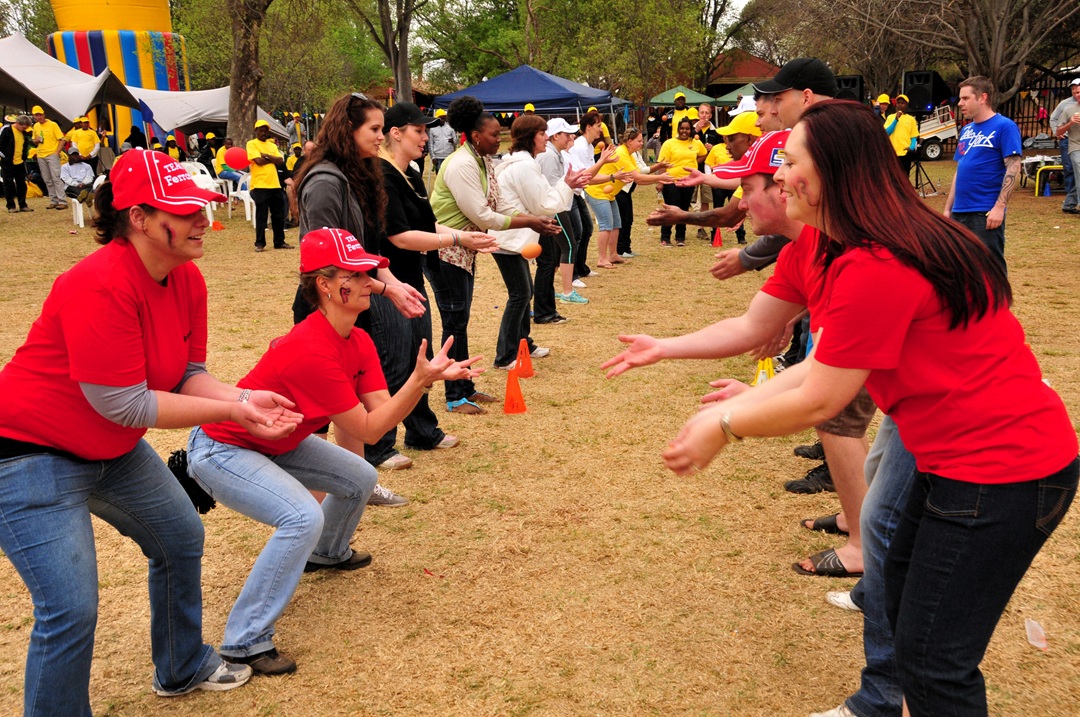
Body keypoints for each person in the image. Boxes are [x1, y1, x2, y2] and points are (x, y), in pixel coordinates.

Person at [662, 100, 1077, 717]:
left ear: (835, 171)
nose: (777, 178)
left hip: (1004, 473)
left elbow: (823, 397)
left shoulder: (879, 260)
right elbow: (819, 368)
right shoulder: (849, 248)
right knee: (907, 623)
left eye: (791, 162)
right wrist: (747, 399)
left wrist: (724, 426)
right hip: (960, 464)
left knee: (936, 665)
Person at [0, 149, 305, 714]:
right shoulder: (98, 283)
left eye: (203, 207)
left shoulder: (187, 279)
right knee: (70, 608)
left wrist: (240, 396)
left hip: (106, 448)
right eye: (185, 210)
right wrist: (233, 413)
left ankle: (182, 665)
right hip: (25, 453)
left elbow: (187, 374)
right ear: (138, 217)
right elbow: (124, 404)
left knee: (180, 535)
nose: (203, 220)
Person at [186, 227, 481, 677]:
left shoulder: (357, 339)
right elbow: (367, 424)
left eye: (368, 271)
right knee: (300, 516)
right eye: (357, 273)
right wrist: (419, 382)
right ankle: (244, 642)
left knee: (359, 477)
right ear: (325, 285)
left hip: (279, 442)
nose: (370, 281)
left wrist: (419, 381)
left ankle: (327, 552)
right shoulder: (309, 349)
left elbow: (379, 413)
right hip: (223, 447)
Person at [290, 92, 427, 481]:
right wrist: (387, 290)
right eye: (374, 129)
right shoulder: (324, 182)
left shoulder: (360, 176)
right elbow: (330, 261)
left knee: (350, 401)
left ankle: (356, 479)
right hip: (324, 309)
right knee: (315, 408)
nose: (381, 137)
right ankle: (310, 489)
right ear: (347, 130)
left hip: (352, 305)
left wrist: (395, 285)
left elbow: (366, 252)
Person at [368, 101, 497, 465]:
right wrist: (457, 240)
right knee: (394, 364)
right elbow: (399, 236)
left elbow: (425, 227)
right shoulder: (382, 174)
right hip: (386, 283)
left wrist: (464, 237)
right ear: (396, 134)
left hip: (410, 279)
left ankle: (423, 431)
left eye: (426, 131)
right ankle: (378, 445)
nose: (427, 137)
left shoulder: (409, 172)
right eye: (419, 131)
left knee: (418, 358)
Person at [427, 95, 558, 413]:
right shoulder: (460, 164)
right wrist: (529, 220)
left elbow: (498, 203)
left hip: (463, 250)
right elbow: (485, 216)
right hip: (444, 251)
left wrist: (532, 217)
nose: (498, 138)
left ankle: (465, 386)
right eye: (492, 134)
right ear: (475, 136)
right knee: (454, 322)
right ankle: (455, 396)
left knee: (461, 321)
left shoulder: (482, 160)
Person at [489, 114, 590, 369]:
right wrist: (567, 185)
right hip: (508, 239)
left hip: (516, 238)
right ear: (530, 137)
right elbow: (544, 204)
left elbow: (543, 198)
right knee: (520, 294)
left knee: (524, 293)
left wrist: (566, 186)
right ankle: (506, 355)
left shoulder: (526, 163)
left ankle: (524, 342)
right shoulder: (523, 166)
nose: (546, 137)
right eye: (542, 133)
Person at [943, 75, 1022, 270]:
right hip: (959, 212)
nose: (960, 103)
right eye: (960, 99)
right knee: (960, 267)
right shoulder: (966, 130)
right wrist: (948, 209)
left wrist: (999, 207)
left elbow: (1013, 167)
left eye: (965, 98)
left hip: (984, 212)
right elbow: (960, 169)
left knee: (990, 269)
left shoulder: (1004, 126)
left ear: (983, 98)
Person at [613, 127, 672, 258]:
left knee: (628, 219)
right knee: (620, 221)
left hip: (624, 189)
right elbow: (638, 177)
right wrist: (660, 177)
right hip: (616, 190)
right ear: (629, 141)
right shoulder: (622, 153)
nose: (642, 143)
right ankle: (619, 250)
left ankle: (625, 249)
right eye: (639, 140)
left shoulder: (631, 153)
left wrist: (659, 170)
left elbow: (640, 175)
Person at [656, 117, 706, 246]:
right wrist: (660, 181)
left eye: (687, 129)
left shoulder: (696, 143)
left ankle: (680, 238)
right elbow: (662, 164)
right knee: (672, 208)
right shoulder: (669, 143)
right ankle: (665, 237)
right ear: (678, 129)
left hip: (689, 181)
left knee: (684, 209)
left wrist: (694, 163)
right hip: (671, 180)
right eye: (682, 128)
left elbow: (703, 154)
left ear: (691, 130)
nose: (685, 131)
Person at [247, 119, 293, 252]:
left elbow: (280, 161)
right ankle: (260, 243)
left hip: (274, 184)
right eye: (260, 130)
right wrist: (270, 159)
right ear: (256, 131)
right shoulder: (252, 144)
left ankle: (279, 241)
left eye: (265, 130)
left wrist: (266, 156)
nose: (263, 132)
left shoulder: (272, 145)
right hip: (260, 184)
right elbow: (258, 161)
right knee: (261, 215)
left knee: (278, 215)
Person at [1049, 77, 1080, 215]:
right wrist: (1068, 125)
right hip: (1072, 143)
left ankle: (1069, 203)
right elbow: (1056, 124)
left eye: (1078, 91)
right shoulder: (1067, 106)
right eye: (1074, 91)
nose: (1076, 93)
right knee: (1072, 171)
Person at [30, 105, 67, 209]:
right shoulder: (36, 126)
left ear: (44, 114)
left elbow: (62, 139)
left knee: (56, 177)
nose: (38, 117)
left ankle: (63, 201)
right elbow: (33, 141)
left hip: (52, 154)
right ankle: (53, 200)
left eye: (40, 115)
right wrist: (36, 140)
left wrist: (57, 152)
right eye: (36, 115)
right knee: (47, 179)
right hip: (41, 154)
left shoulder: (53, 125)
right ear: (34, 116)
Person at [1, 114, 33, 213]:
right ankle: (11, 206)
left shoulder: (24, 133)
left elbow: (25, 145)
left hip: (20, 162)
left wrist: (24, 157)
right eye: (23, 127)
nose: (24, 129)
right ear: (18, 123)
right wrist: (5, 157)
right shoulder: (6, 130)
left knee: (21, 184)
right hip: (8, 162)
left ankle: (23, 204)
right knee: (8, 184)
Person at [883, 94, 918, 176]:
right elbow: (886, 132)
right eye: (898, 103)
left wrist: (911, 147)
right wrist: (895, 120)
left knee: (904, 177)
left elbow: (913, 136)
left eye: (902, 103)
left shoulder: (911, 119)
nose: (900, 105)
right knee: (892, 177)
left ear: (906, 105)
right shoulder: (890, 117)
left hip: (905, 153)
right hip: (892, 153)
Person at [428, 108, 456, 176]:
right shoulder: (432, 129)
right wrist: (433, 157)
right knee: (439, 175)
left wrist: (453, 141)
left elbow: (456, 141)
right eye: (441, 118)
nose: (443, 120)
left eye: (444, 118)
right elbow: (430, 144)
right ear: (437, 118)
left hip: (449, 155)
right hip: (438, 157)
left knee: (449, 175)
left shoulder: (450, 128)